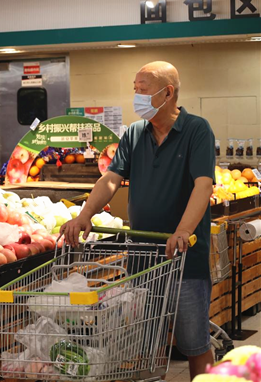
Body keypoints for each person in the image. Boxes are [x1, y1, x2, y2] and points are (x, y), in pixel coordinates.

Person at [61, 61, 215, 380]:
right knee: (146, 340)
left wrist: (183, 230)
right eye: (135, 89)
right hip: (142, 259)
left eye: (143, 90)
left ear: (167, 93)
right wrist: (84, 215)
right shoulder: (134, 133)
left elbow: (203, 185)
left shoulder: (196, 130)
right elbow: (111, 179)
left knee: (194, 342)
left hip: (184, 258)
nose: (137, 96)